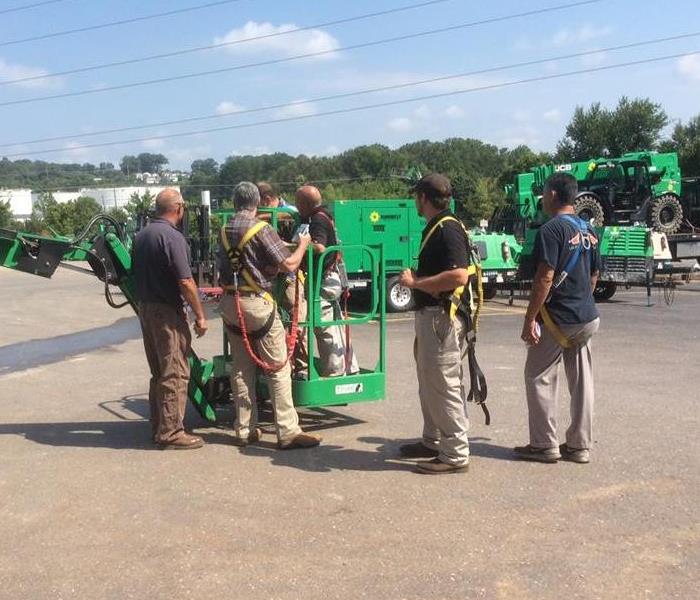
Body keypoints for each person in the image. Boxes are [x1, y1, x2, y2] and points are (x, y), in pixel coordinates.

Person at [218, 181, 321, 450]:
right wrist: (302, 244)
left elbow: (229, 267)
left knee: (241, 369)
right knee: (277, 367)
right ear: (257, 202)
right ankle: (287, 431)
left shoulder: (224, 230)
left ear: (235, 202)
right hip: (256, 305)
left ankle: (244, 429)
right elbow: (288, 263)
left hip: (230, 302)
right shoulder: (261, 229)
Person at [515, 172, 601, 464]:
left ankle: (544, 445)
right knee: (582, 383)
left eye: (545, 192)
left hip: (558, 318)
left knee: (538, 375)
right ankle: (579, 446)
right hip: (587, 317)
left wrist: (530, 318)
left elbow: (545, 277)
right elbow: (594, 274)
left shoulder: (550, 230)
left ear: (552, 194)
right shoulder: (589, 229)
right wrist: (582, 301)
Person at [397, 174, 471, 474]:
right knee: (429, 381)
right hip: (433, 317)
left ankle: (455, 453)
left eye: (417, 196)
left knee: (443, 383)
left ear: (424, 198)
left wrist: (416, 282)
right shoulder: (438, 226)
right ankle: (433, 439)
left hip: (442, 318)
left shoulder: (448, 229)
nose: (415, 201)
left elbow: (459, 276)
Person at [132, 188, 208, 450]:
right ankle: (171, 432)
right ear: (178, 208)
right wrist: (200, 315)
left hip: (146, 308)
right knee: (175, 371)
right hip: (166, 312)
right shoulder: (172, 238)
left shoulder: (141, 236)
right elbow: (186, 281)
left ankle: (159, 426)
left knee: (159, 372)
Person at [294, 185, 359, 377]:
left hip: (324, 279)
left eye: (298, 203)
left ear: (305, 204)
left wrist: (300, 245)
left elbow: (320, 247)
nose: (297, 207)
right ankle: (350, 366)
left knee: (322, 325)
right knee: (335, 323)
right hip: (330, 277)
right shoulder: (325, 216)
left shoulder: (317, 221)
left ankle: (335, 370)